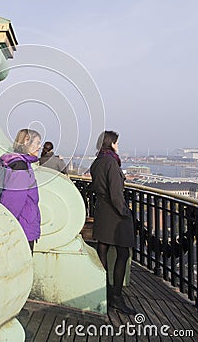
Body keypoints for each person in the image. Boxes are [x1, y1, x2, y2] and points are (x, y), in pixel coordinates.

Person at [90, 131, 135, 315]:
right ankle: (116, 297)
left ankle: (103, 291)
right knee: (123, 253)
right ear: (112, 143)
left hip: (102, 211)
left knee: (103, 249)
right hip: (115, 214)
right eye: (117, 142)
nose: (118, 145)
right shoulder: (111, 162)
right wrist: (124, 212)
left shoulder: (98, 161)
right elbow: (116, 193)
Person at [0, 129, 41, 253]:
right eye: (37, 142)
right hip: (22, 227)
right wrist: (8, 226)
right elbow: (13, 201)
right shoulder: (21, 167)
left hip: (22, 224)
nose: (40, 146)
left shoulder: (19, 163)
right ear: (27, 141)